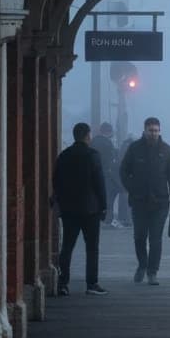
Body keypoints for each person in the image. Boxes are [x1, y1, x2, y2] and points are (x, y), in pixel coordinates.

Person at [120, 116, 170, 286]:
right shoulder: (134, 149)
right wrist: (131, 188)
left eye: (156, 130)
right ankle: (142, 265)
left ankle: (152, 272)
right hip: (139, 201)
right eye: (150, 130)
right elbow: (123, 171)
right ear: (145, 131)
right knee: (139, 237)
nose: (153, 133)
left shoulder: (167, 151)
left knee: (155, 239)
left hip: (160, 203)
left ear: (159, 131)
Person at [52, 122, 108, 296]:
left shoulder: (64, 156)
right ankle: (91, 284)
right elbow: (99, 183)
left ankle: (63, 283)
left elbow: (56, 181)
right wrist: (104, 206)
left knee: (67, 246)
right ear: (87, 136)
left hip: (69, 210)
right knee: (92, 248)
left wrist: (61, 202)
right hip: (90, 210)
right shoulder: (93, 155)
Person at [91, 122, 121, 227]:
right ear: (109, 132)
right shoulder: (107, 143)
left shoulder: (93, 141)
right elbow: (111, 161)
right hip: (107, 176)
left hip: (95, 174)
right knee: (108, 198)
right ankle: (107, 220)